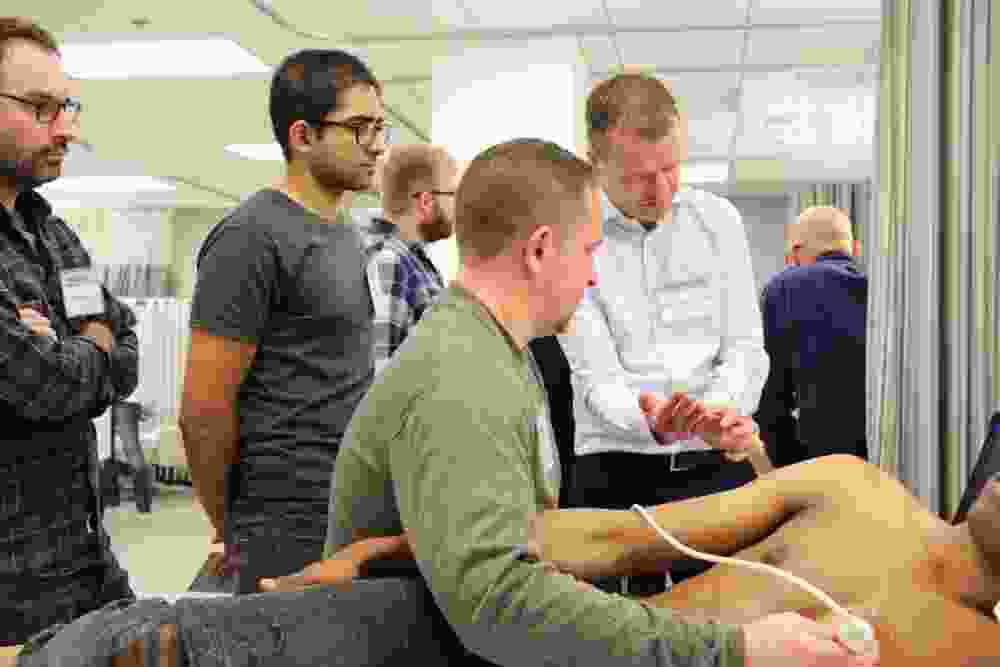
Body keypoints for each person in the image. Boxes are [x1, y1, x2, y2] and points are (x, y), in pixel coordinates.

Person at [3, 139, 873, 667]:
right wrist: (734, 649)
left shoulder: (495, 354)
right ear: (541, 248)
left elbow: (504, 540)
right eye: (587, 251)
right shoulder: (465, 374)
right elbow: (500, 602)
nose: (594, 274)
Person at [178, 48, 389, 595]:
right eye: (359, 128)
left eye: (379, 127)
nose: (376, 145)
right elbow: (203, 409)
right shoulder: (251, 237)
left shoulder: (344, 231)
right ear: (303, 136)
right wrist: (230, 527)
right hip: (280, 517)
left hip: (343, 503)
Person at [558, 73, 769, 592]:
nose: (661, 190)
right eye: (637, 177)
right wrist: (654, 423)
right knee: (613, 628)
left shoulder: (718, 222)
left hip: (715, 466)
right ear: (595, 163)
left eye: (671, 168)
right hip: (615, 469)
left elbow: (745, 347)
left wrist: (715, 413)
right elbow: (596, 378)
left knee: (734, 616)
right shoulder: (573, 238)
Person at [0, 16, 139, 644]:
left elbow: (125, 346)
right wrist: (88, 344)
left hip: (88, 562)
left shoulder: (52, 234)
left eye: (67, 107)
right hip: (12, 587)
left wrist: (75, 346)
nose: (67, 129)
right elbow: (45, 384)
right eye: (41, 108)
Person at [753, 206, 867, 468]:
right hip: (876, 458)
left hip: (813, 458)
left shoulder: (783, 288)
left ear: (795, 253)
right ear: (855, 249)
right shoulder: (877, 289)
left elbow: (769, 397)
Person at [359, 143, 459, 374]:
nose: (458, 206)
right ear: (426, 202)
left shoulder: (413, 260)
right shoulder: (390, 262)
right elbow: (381, 374)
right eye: (454, 194)